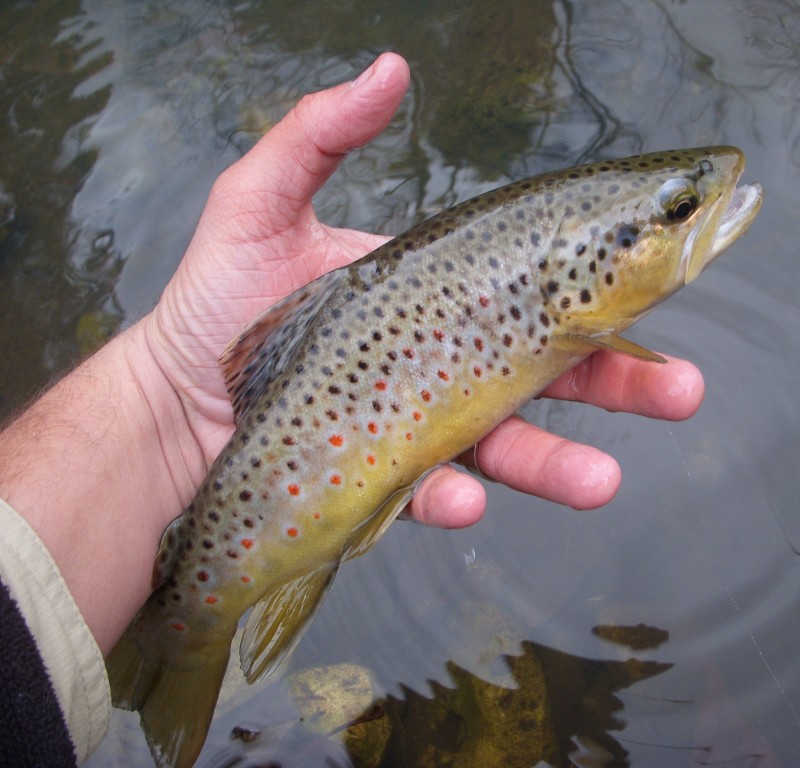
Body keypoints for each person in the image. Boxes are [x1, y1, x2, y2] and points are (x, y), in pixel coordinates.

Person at [0, 52, 704, 765]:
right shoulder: (571, 303)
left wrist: (158, 385)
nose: (693, 214)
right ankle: (182, 637)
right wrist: (164, 382)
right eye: (679, 210)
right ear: (580, 273)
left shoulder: (569, 304)